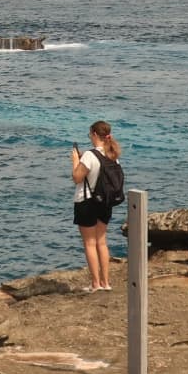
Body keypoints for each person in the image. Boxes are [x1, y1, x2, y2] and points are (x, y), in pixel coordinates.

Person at [70, 121, 122, 291]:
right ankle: (106, 283)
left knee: (90, 243)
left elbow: (77, 177)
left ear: (93, 134)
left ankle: (95, 284)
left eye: (89, 134)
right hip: (105, 203)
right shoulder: (112, 155)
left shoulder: (89, 156)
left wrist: (76, 160)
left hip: (87, 202)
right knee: (102, 242)